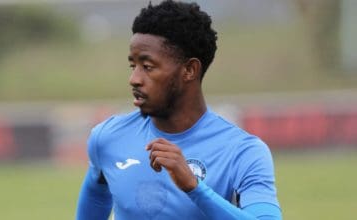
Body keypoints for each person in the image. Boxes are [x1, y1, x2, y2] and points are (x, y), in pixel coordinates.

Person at [76, 1, 282, 219]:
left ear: (189, 70)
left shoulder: (242, 152)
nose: (134, 79)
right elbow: (96, 194)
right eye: (132, 66)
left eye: (147, 67)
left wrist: (194, 188)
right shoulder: (107, 138)